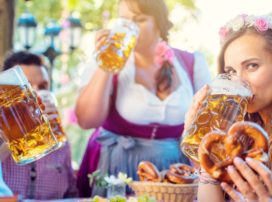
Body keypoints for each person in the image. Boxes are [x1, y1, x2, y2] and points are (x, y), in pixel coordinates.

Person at [75, 0, 212, 197]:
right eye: (123, 20)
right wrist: (105, 65)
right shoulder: (105, 59)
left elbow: (208, 126)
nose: (129, 27)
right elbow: (87, 120)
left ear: (159, 22)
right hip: (117, 170)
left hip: (174, 175)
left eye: (138, 19)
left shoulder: (192, 63)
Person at [184, 14, 272, 202]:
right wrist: (207, 155)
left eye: (251, 66)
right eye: (231, 71)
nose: (239, 82)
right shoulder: (237, 138)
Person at [1, 51, 78, 199]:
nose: (35, 94)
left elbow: (71, 194)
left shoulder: (60, 141)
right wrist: (11, 139)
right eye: (27, 86)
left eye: (42, 86)